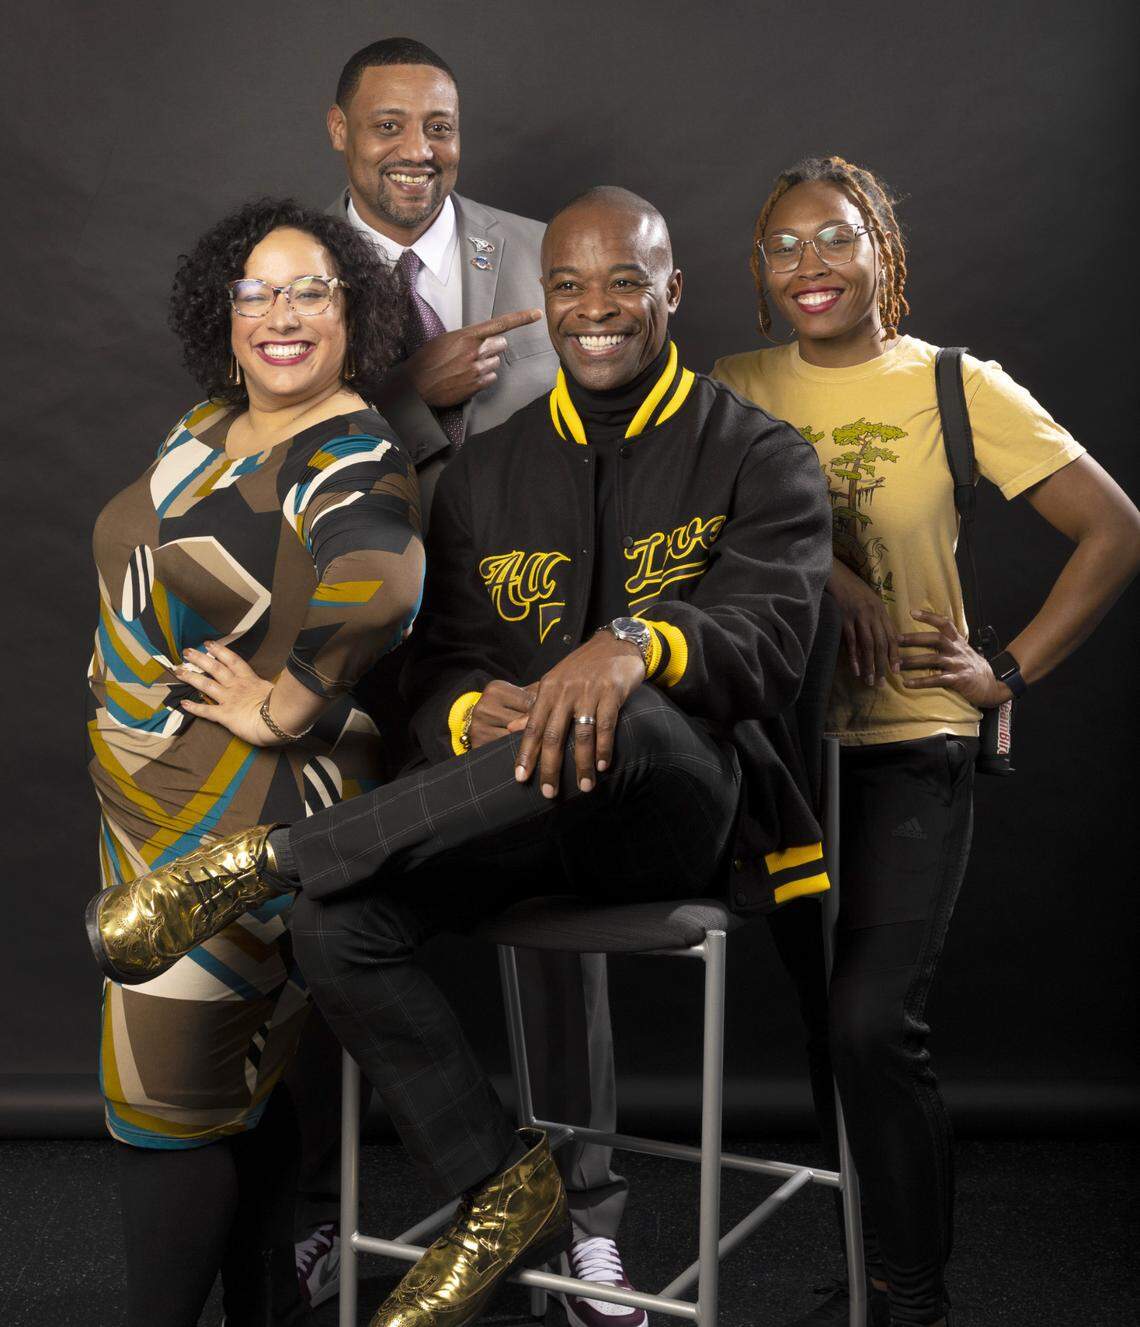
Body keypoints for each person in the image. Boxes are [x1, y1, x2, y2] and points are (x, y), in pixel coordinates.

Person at [87, 186, 835, 1327]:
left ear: (672, 291)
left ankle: (267, 856)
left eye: (625, 282)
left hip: (675, 818)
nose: (595, 309)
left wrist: (631, 645)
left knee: (615, 707)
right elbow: (432, 665)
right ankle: (502, 1191)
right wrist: (463, 708)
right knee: (337, 920)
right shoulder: (489, 472)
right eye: (570, 286)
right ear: (544, 299)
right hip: (510, 814)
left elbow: (773, 641)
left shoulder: (758, 453)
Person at [711, 154, 1140, 1327]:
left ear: (880, 253)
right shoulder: (735, 384)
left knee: (869, 1021)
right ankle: (861, 1270)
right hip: (785, 756)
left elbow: (1114, 528)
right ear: (760, 269)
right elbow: (688, 532)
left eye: (836, 239)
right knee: (822, 1029)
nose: (812, 265)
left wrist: (1007, 673)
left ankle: (913, 1295)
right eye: (786, 246)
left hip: (913, 739)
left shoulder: (956, 384)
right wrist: (825, 565)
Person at [288, 38, 640, 1325]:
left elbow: (622, 426)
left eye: (437, 125)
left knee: (560, 947)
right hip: (356, 663)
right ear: (339, 131)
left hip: (522, 660)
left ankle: (587, 1220)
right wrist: (401, 396)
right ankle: (324, 1217)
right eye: (388, 126)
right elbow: (268, 458)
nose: (416, 150)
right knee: (327, 910)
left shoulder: (551, 250)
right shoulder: (293, 276)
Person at [85, 198, 423, 1327]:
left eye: (311, 292)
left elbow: (380, 577)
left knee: (166, 1106)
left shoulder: (348, 447)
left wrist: (288, 706)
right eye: (256, 293)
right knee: (240, 1088)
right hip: (151, 809)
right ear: (222, 314)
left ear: (353, 313)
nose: (281, 315)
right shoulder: (208, 427)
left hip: (239, 819)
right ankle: (268, 1309)